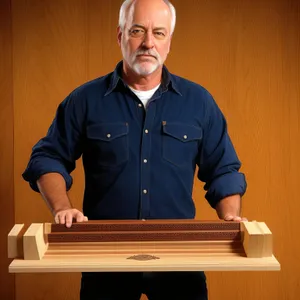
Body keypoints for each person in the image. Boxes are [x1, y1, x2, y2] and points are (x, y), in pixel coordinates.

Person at [22, 0, 247, 299]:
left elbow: (223, 170)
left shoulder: (199, 102)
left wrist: (230, 217)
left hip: (180, 261)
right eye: (137, 31)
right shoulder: (85, 100)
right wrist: (62, 208)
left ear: (169, 42)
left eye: (159, 33)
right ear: (120, 36)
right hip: (105, 261)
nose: (148, 43)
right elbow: (48, 157)